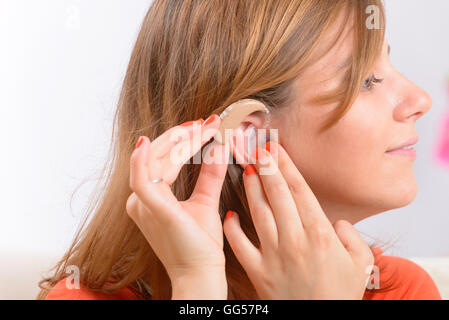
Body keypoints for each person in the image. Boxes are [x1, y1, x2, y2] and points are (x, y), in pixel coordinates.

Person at [39, 0, 441, 300]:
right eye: (368, 80)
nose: (419, 99)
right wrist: (197, 282)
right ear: (248, 136)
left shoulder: (401, 290)